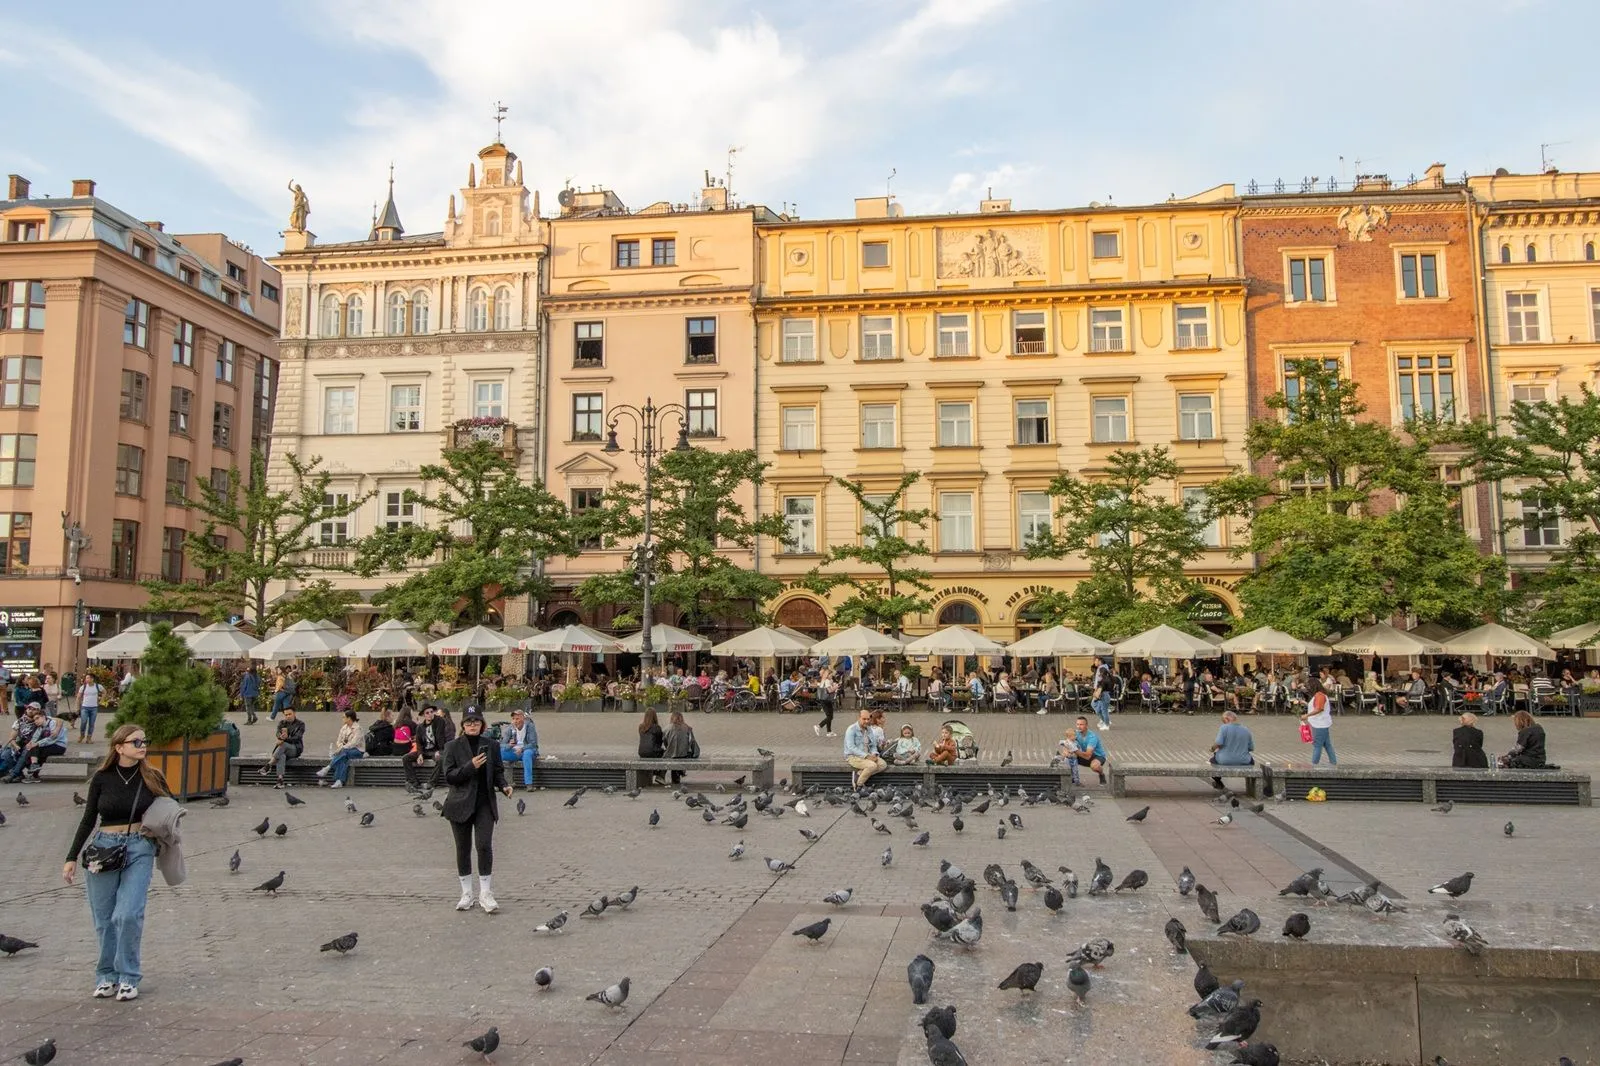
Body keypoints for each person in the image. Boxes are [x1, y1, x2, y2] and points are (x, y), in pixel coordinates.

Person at [62, 723, 173, 1001]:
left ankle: (128, 976)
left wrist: (162, 836)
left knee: (128, 914)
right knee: (104, 919)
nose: (142, 745)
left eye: (144, 741)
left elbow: (170, 809)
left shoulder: (153, 776)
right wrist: (71, 857)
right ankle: (106, 976)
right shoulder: (102, 777)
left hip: (139, 848)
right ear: (119, 747)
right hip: (103, 849)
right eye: (136, 742)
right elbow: (88, 818)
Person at [440, 708, 512, 913]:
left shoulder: (492, 745)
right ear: (462, 725)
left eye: (476, 722)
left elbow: (497, 771)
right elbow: (450, 776)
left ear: (482, 724)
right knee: (462, 848)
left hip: (484, 804)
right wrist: (470, 766)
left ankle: (486, 893)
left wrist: (504, 785)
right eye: (469, 722)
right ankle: (466, 893)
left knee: (483, 846)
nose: (472, 725)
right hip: (459, 804)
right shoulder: (452, 746)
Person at [11, 705, 69, 781]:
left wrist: (37, 744)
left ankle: (30, 770)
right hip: (50, 746)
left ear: (43, 716)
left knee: (35, 749)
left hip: (59, 746)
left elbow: (52, 739)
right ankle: (33, 773)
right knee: (31, 749)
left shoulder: (52, 723)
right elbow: (35, 738)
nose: (36, 721)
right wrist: (30, 743)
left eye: (37, 718)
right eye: (34, 720)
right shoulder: (40, 727)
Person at [404, 705, 446, 793]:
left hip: (436, 750)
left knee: (440, 759)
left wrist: (439, 751)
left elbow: (440, 738)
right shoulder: (420, 727)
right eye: (427, 713)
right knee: (406, 758)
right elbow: (418, 743)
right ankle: (413, 782)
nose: (430, 714)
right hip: (425, 751)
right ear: (424, 715)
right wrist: (420, 754)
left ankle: (431, 783)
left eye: (431, 712)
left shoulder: (439, 721)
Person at [1208, 709, 1255, 789]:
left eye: (1223, 721)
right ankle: (1252, 785)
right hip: (1244, 760)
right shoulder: (1246, 729)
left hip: (1224, 760)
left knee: (1212, 761)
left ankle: (1218, 782)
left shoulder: (1224, 728)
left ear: (1227, 719)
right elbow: (1251, 748)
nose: (1223, 723)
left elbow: (1219, 743)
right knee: (1252, 761)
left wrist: (1212, 749)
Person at [260, 708, 305, 789]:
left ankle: (269, 765)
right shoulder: (282, 723)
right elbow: (277, 733)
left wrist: (285, 739)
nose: (288, 716)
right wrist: (280, 736)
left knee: (283, 744)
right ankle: (280, 780)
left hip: (295, 748)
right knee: (282, 756)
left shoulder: (300, 724)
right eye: (286, 715)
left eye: (290, 714)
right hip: (282, 749)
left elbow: (297, 737)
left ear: (294, 713)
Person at [318, 709, 364, 788]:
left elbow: (354, 743)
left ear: (349, 718)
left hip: (357, 751)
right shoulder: (344, 728)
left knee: (344, 753)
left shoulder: (357, 728)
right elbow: (339, 740)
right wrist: (340, 746)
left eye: (344, 717)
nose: (342, 719)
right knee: (343, 759)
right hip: (344, 751)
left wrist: (342, 748)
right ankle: (339, 781)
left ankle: (328, 767)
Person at [843, 707, 886, 788]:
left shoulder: (869, 729)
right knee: (872, 766)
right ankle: (858, 784)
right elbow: (851, 747)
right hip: (853, 756)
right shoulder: (851, 729)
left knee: (883, 765)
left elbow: (873, 745)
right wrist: (867, 756)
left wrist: (874, 754)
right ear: (859, 718)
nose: (866, 721)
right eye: (864, 719)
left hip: (868, 755)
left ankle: (859, 773)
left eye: (868, 719)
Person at [499, 708, 539, 791]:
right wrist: (509, 745)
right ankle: (500, 783)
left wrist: (522, 749)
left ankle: (529, 784)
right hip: (515, 752)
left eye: (517, 718)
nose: (515, 721)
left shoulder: (529, 726)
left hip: (528, 751)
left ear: (523, 719)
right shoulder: (510, 728)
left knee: (527, 754)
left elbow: (533, 743)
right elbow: (502, 744)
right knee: (498, 753)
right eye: (513, 719)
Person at [1062, 717, 1108, 786]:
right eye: (1077, 724)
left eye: (1081, 725)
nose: (1079, 727)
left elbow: (1087, 756)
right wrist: (1066, 752)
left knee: (1094, 766)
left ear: (1086, 725)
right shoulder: (1075, 734)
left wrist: (1074, 750)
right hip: (1082, 754)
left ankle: (1101, 774)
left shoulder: (1092, 737)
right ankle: (1072, 779)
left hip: (1097, 756)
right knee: (1066, 758)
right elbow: (1066, 744)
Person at [1301, 683, 1336, 765]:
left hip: (1320, 724)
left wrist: (1307, 715)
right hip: (1321, 723)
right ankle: (1333, 762)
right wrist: (1305, 703)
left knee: (1317, 745)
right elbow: (1316, 707)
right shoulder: (1319, 695)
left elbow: (1319, 709)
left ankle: (1314, 764)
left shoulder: (1320, 696)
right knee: (1327, 744)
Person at [662, 709, 699, 784]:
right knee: (680, 755)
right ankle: (680, 772)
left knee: (671, 755)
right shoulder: (687, 728)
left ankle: (675, 776)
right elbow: (691, 741)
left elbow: (664, 741)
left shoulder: (667, 728)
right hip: (684, 754)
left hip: (671, 754)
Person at [78, 673, 105, 743]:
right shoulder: (83, 687)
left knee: (91, 724)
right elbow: (78, 697)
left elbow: (104, 692)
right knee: (83, 722)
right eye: (86, 678)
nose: (86, 680)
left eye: (88, 678)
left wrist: (101, 700)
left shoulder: (98, 686)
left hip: (94, 708)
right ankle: (82, 735)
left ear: (92, 679)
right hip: (84, 707)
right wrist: (78, 707)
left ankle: (89, 738)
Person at [1090, 657, 1115, 729]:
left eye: (1095, 661)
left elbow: (1100, 684)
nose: (1094, 662)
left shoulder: (1102, 670)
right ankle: (1105, 720)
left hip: (1102, 693)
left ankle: (1105, 722)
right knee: (1100, 709)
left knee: (1101, 709)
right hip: (1103, 693)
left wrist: (1096, 691)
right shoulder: (1105, 669)